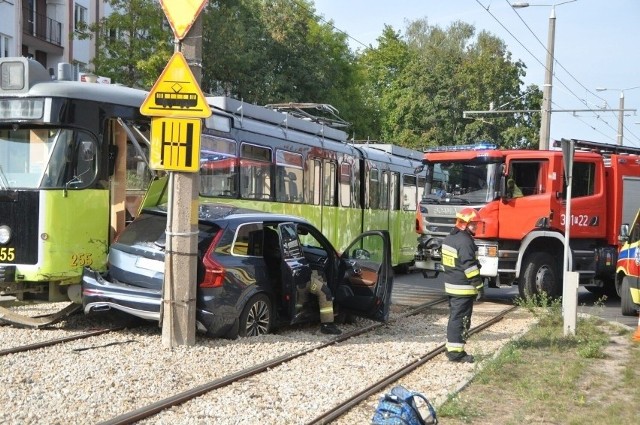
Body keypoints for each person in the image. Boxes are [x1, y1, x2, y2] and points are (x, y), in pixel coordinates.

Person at [441, 207, 484, 363]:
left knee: (455, 318)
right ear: (465, 224)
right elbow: (470, 268)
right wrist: (479, 286)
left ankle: (451, 347)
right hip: (463, 288)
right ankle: (455, 353)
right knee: (461, 320)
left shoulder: (450, 238)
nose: (476, 227)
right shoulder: (465, 242)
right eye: (474, 224)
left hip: (452, 285)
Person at [296, 270, 342, 335]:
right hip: (301, 278)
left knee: (321, 274)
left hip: (302, 274)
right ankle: (327, 325)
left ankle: (315, 311)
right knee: (325, 292)